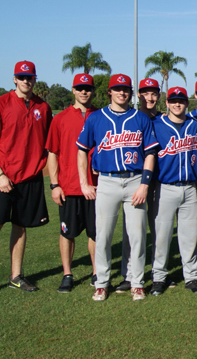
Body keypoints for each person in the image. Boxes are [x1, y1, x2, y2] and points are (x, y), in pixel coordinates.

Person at [77, 73, 159, 302]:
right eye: (117, 89)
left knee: (137, 235)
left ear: (130, 93)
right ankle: (102, 283)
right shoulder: (95, 118)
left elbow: (150, 153)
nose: (122, 92)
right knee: (103, 235)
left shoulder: (140, 118)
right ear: (109, 92)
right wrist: (84, 183)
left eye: (126, 89)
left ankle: (137, 281)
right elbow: (82, 149)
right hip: (107, 180)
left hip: (134, 180)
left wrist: (144, 184)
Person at [0, 61, 51, 296]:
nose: (26, 81)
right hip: (2, 178)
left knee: (20, 227)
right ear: (14, 79)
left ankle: (16, 276)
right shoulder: (0, 104)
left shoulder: (44, 107)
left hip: (30, 178)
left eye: (29, 77)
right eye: (21, 77)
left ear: (34, 78)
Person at [150, 87, 197, 295]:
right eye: (173, 101)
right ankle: (159, 277)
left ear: (187, 103)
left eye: (181, 100)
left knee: (189, 236)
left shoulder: (195, 125)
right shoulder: (156, 125)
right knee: (162, 235)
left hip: (190, 187)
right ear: (167, 103)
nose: (177, 104)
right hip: (165, 188)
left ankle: (191, 277)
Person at [46, 73, 98, 293]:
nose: (84, 91)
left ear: (93, 91)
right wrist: (54, 185)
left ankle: (97, 272)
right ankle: (67, 273)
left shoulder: (101, 116)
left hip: (96, 186)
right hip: (69, 186)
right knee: (67, 232)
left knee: (95, 233)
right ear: (73, 90)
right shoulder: (60, 118)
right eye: (80, 88)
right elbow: (52, 153)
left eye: (87, 88)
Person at [116, 77, 162, 294]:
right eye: (145, 93)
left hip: (160, 181)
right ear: (139, 96)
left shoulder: (164, 119)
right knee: (132, 230)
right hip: (137, 180)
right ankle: (130, 274)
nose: (149, 97)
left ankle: (157, 273)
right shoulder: (133, 118)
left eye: (153, 93)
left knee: (158, 230)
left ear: (159, 96)